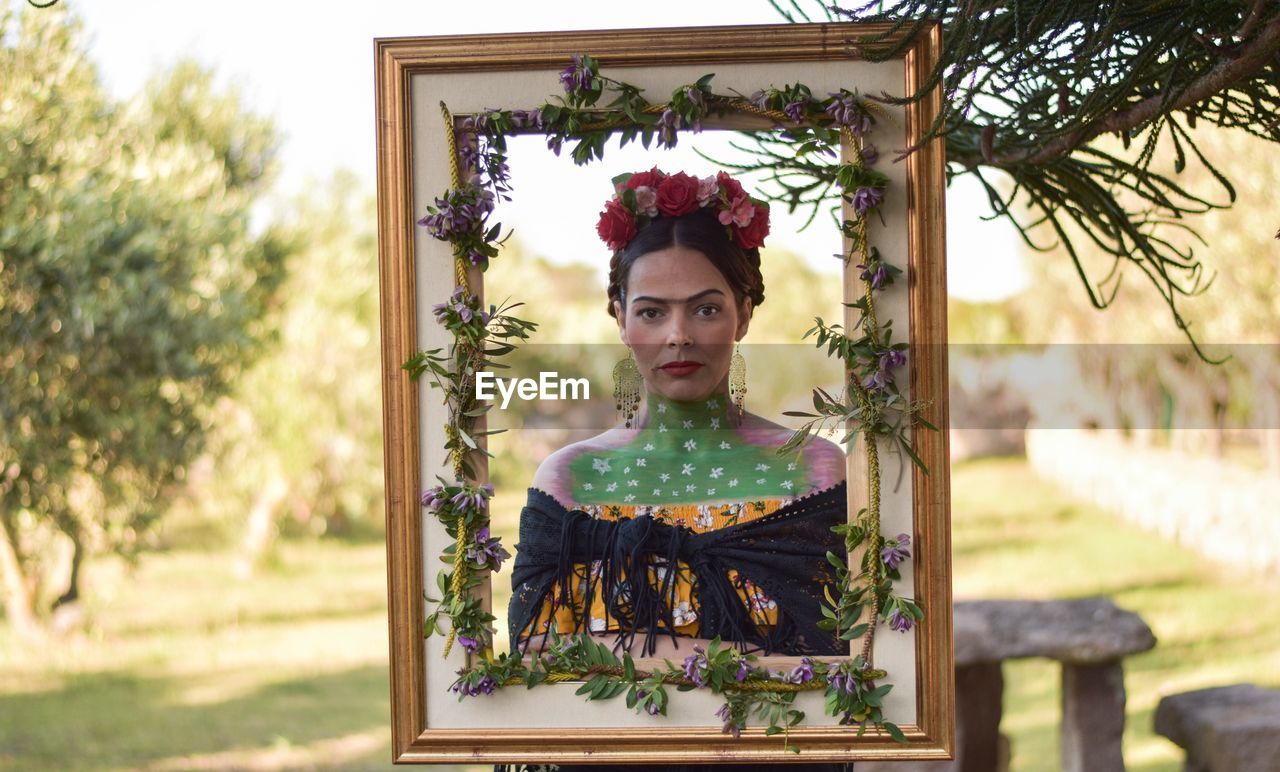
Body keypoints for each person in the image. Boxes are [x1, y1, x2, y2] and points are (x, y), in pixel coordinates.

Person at [501, 168, 852, 772]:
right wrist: (727, 658)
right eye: (652, 312)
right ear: (620, 317)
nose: (679, 336)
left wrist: (617, 653)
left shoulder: (811, 471)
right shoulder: (568, 481)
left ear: (744, 313)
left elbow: (837, 666)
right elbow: (533, 666)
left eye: (706, 309)